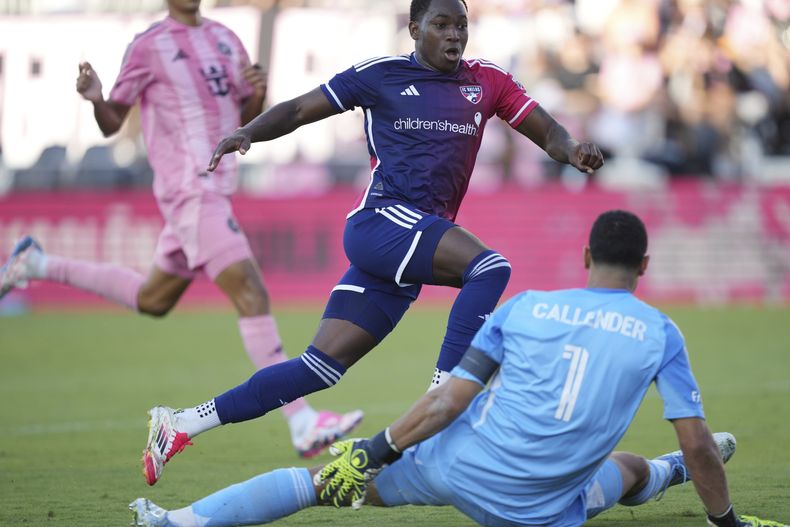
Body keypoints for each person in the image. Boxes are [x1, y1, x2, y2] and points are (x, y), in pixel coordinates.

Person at [132, 0, 605, 487]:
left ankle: (182, 422)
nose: (454, 36)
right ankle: (444, 398)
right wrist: (248, 132)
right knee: (489, 268)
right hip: (382, 223)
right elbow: (299, 109)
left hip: (409, 240)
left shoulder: (487, 81)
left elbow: (545, 130)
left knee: (318, 368)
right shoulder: (381, 74)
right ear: (414, 29)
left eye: (461, 25)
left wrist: (571, 150)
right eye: (441, 25)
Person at [128, 210, 788, 527]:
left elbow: (449, 400)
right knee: (635, 468)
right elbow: (697, 440)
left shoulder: (526, 305)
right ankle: (669, 480)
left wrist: (373, 449)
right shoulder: (660, 332)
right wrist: (726, 521)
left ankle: (176, 520)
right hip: (544, 504)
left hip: (458, 463)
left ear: (585, 255)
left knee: (318, 485)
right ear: (644, 267)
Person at [0, 0, 362, 465]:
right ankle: (301, 420)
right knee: (251, 293)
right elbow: (114, 122)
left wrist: (257, 93)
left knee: (153, 298)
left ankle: (35, 263)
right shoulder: (149, 45)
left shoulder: (225, 38)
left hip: (215, 189)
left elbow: (246, 117)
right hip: (189, 190)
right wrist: (95, 97)